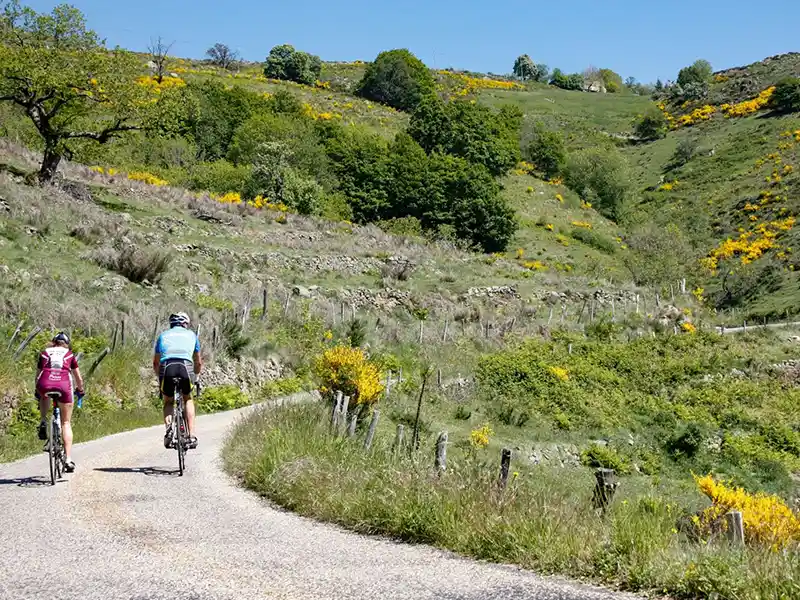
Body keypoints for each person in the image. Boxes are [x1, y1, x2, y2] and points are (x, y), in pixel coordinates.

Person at [35, 332, 84, 473]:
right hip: (63, 384)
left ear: (54, 342)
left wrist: (37, 391)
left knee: (43, 394)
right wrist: (80, 390)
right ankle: (68, 459)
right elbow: (78, 378)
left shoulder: (44, 353)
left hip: (45, 382)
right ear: (67, 344)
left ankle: (43, 421)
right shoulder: (69, 354)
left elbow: (37, 375)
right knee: (66, 423)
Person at [153, 312, 202, 450]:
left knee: (168, 400)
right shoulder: (192, 335)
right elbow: (198, 362)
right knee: (188, 399)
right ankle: (191, 435)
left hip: (167, 367)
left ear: (171, 324)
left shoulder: (163, 336)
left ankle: (169, 429)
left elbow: (156, 363)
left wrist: (160, 379)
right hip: (185, 367)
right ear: (185, 324)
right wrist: (196, 376)